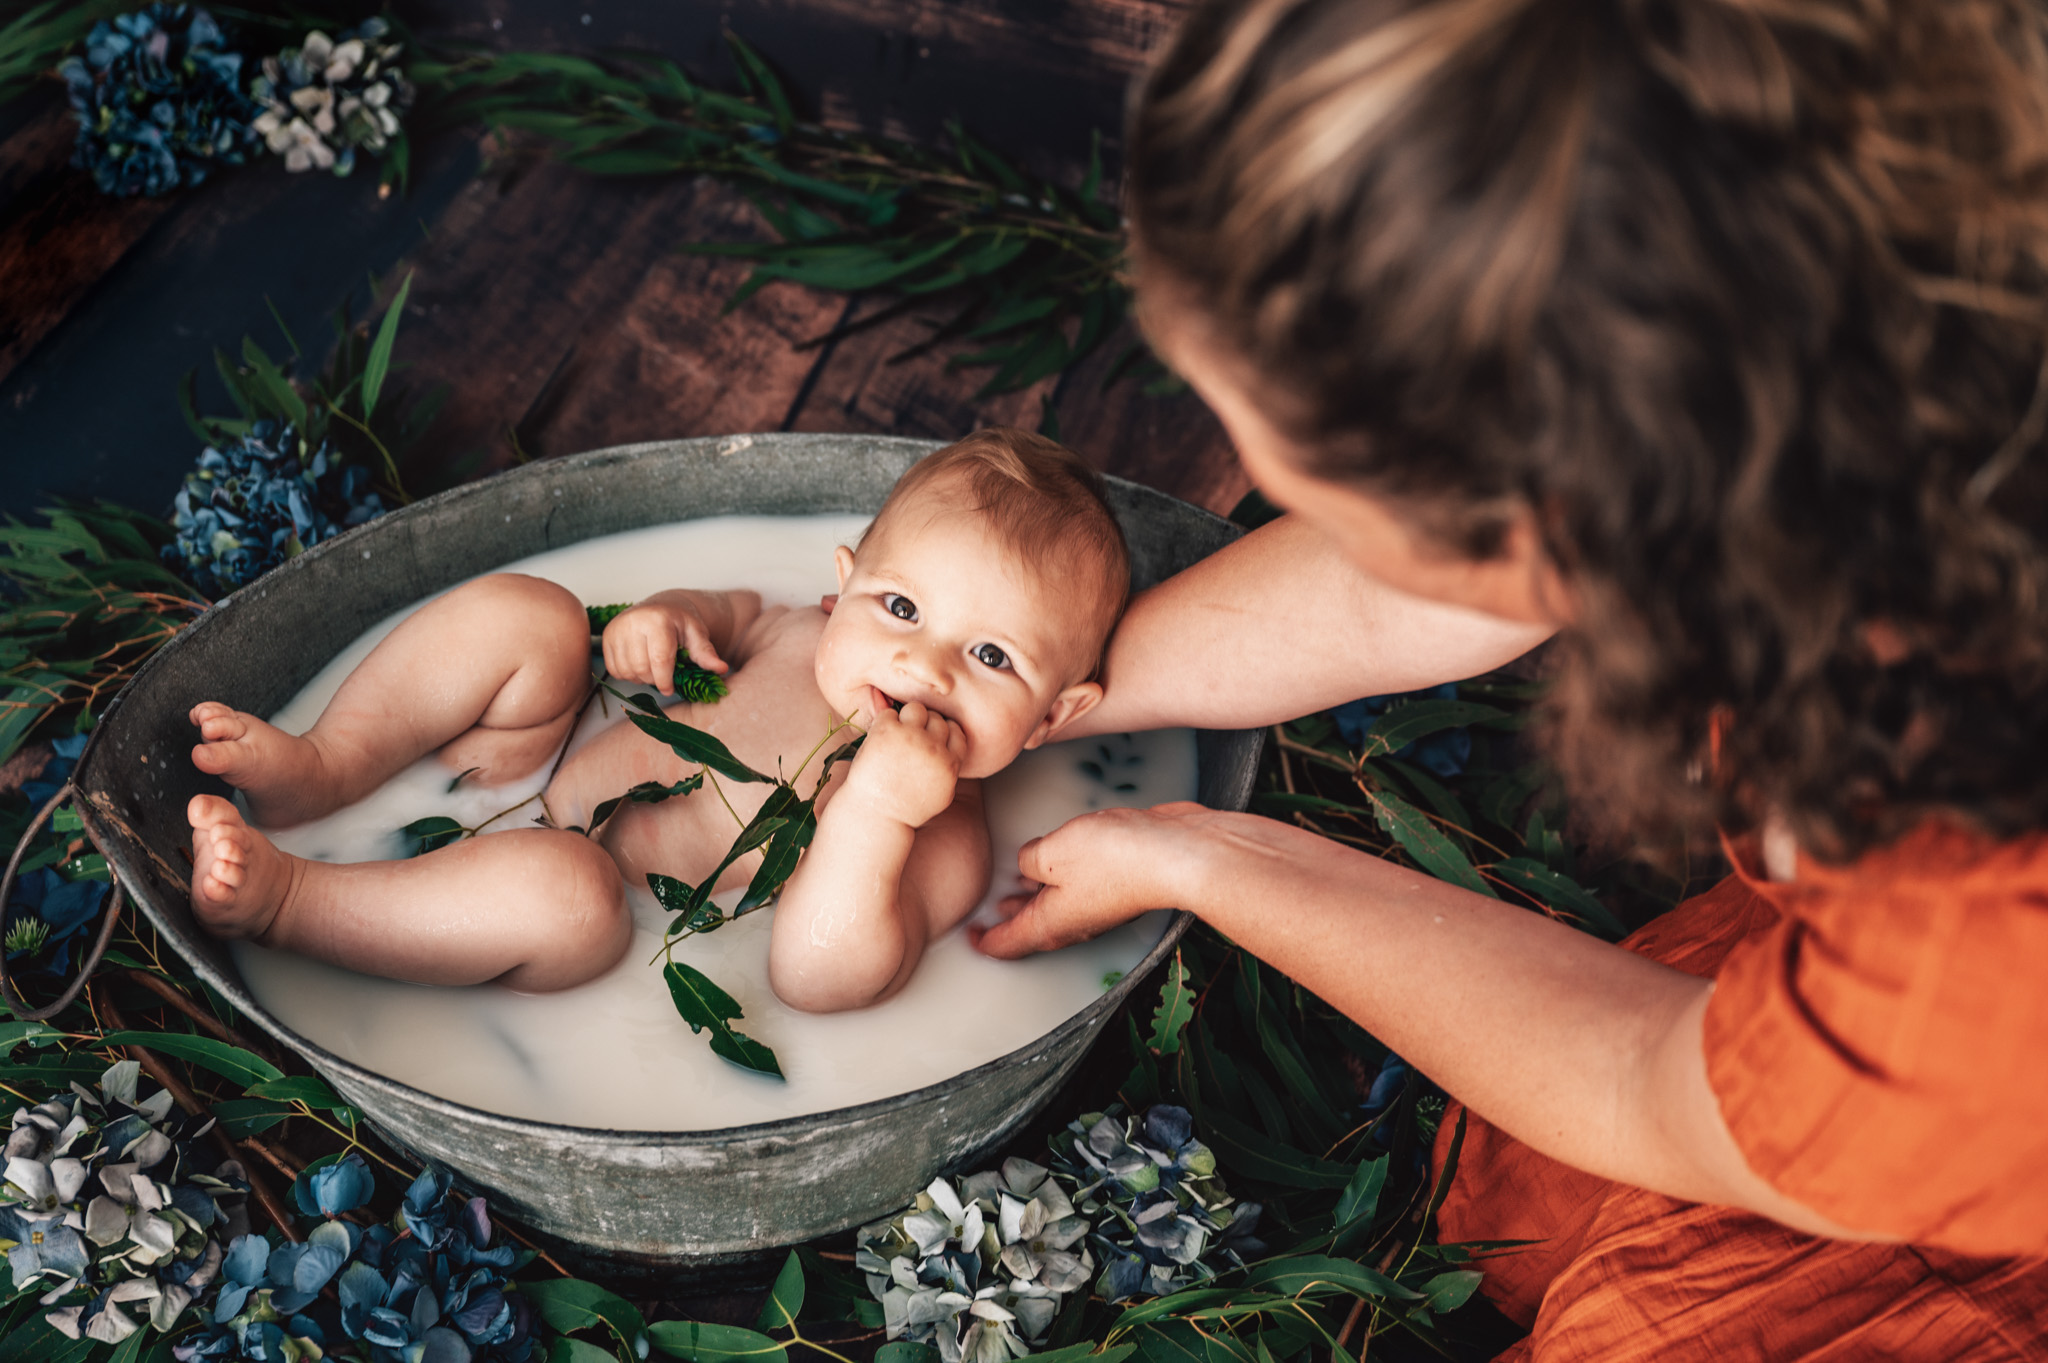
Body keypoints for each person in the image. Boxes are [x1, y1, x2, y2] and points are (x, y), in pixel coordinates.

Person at [976, 0, 2048, 1355]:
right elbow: (1396, 581)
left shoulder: (1969, 910)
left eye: (1338, 499)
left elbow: (1644, 1079)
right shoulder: (1822, 274)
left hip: (1993, 1058)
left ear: (1577, 507)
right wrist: (1014, 684)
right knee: (1522, 1197)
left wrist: (1207, 855)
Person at [182, 428, 1126, 1010]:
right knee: (533, 616)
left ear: (1054, 716)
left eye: (992, 657)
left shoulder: (943, 834)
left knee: (566, 888)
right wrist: (668, 622)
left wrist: (878, 811)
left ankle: (294, 903)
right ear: (845, 586)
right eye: (903, 609)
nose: (921, 663)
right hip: (521, 773)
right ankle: (325, 764)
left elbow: (819, 977)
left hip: (610, 916)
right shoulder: (804, 629)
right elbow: (724, 613)